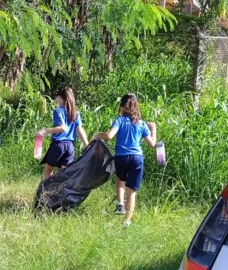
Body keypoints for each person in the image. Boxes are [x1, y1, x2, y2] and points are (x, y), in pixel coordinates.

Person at [93, 93, 157, 227]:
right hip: (137, 158)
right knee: (131, 190)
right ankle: (127, 221)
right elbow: (152, 144)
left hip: (121, 157)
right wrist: (153, 129)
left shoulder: (119, 120)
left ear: (122, 107)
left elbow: (109, 136)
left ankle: (120, 204)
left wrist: (96, 135)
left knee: (120, 180)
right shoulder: (141, 123)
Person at [37, 86, 89, 181]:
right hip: (70, 147)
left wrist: (45, 130)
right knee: (65, 174)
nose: (56, 101)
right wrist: (87, 145)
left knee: (48, 169)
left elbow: (62, 128)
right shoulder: (75, 113)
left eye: (56, 98)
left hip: (58, 144)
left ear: (60, 97)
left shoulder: (58, 111)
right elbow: (80, 130)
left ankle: (45, 190)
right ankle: (62, 193)